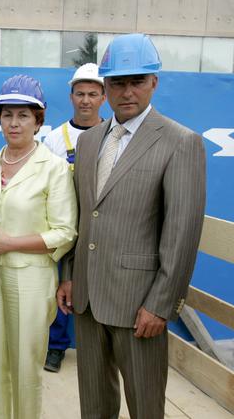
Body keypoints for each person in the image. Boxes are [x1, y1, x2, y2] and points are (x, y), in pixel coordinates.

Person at [57, 33, 206, 419]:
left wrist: (160, 305)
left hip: (140, 305)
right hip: (88, 300)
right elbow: (83, 217)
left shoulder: (180, 142)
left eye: (137, 81)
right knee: (94, 405)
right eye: (118, 82)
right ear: (105, 87)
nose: (127, 91)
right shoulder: (89, 142)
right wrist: (71, 275)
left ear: (154, 82)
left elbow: (182, 233)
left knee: (144, 407)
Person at [0, 75, 77, 419]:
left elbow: (64, 232)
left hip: (32, 280)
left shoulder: (55, 169)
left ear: (38, 120)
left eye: (23, 115)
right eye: (7, 115)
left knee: (24, 365)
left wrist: (12, 243)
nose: (14, 123)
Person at [41, 62, 106, 373]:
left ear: (103, 98)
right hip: (65, 224)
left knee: (102, 286)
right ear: (71, 96)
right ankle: (55, 348)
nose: (86, 100)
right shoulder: (55, 138)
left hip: (101, 226)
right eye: (80, 93)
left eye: (93, 94)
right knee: (61, 287)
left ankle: (102, 349)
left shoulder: (114, 135)